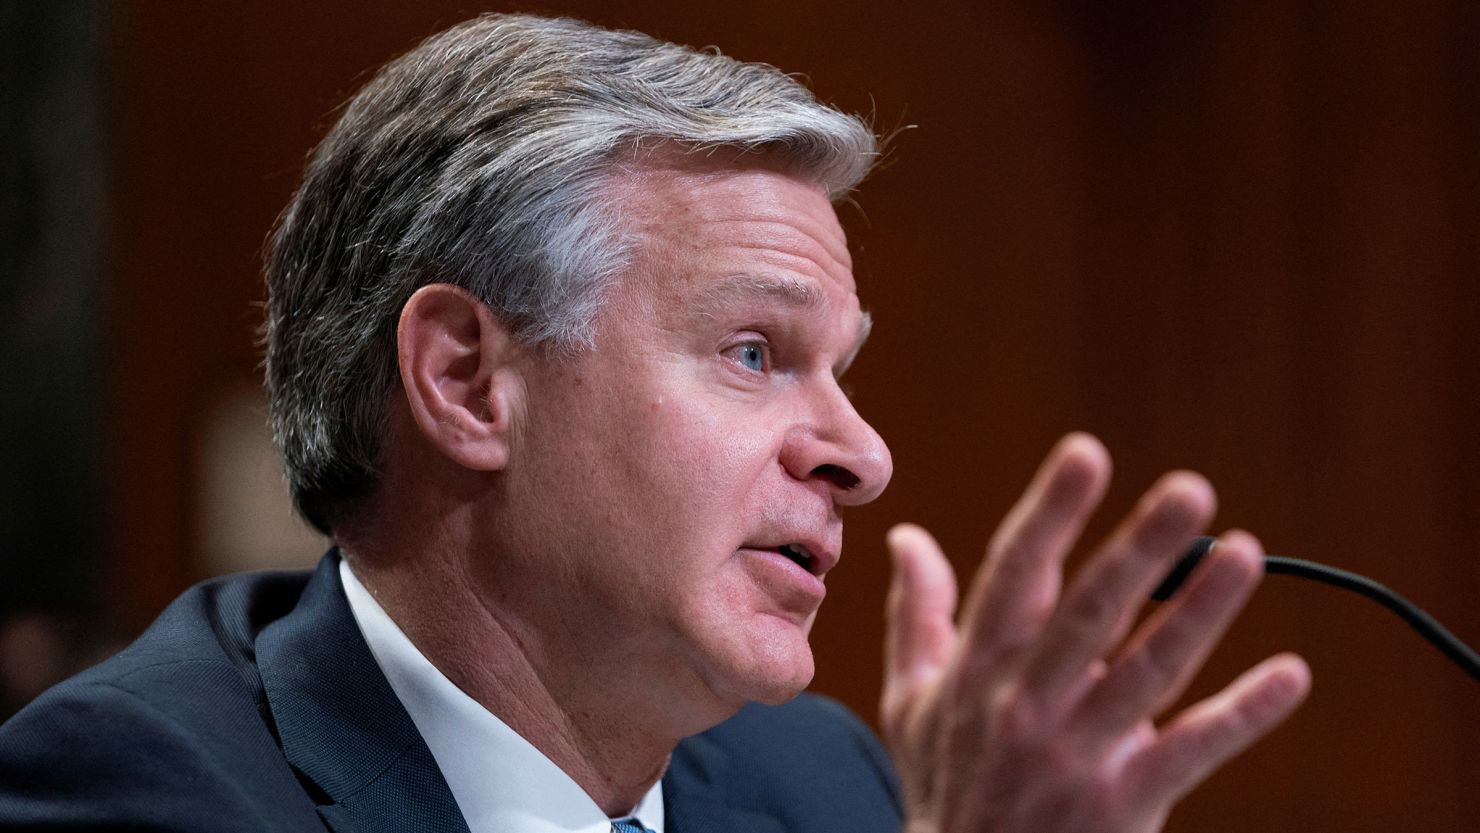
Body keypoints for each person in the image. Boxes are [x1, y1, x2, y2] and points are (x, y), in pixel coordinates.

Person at [0, 13, 1310, 833]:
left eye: (841, 369)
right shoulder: (132, 783)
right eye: (755, 351)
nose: (861, 455)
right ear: (466, 381)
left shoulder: (824, 782)